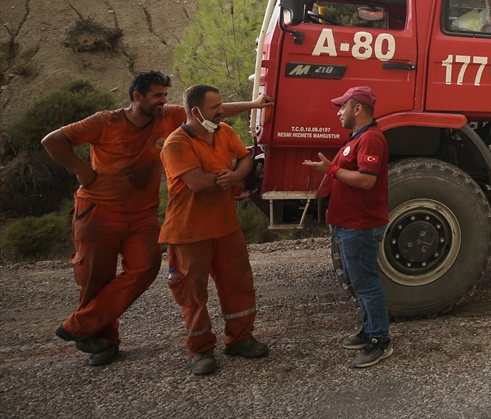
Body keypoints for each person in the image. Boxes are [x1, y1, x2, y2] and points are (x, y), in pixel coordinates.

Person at [41, 71, 268, 367]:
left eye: (165, 96)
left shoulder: (169, 116)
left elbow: (215, 109)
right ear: (137, 97)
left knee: (146, 269)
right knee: (96, 278)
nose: (163, 101)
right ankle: (100, 340)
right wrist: (82, 171)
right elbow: (53, 140)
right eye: (157, 96)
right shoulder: (104, 121)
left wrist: (255, 104)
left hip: (143, 211)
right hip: (99, 209)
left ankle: (81, 326)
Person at [160, 84, 271, 375]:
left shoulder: (223, 131)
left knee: (239, 283)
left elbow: (245, 157)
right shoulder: (176, 143)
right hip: (188, 232)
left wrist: (236, 174)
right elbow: (196, 182)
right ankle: (201, 351)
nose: (221, 111)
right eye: (215, 107)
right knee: (193, 294)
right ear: (196, 112)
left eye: (220, 105)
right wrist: (224, 180)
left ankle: (240, 339)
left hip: (225, 227)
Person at [301, 85, 391, 369]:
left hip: (360, 224)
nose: (339, 112)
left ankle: (381, 341)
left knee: (366, 283)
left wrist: (331, 169)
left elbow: (367, 180)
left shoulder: (371, 139)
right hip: (347, 223)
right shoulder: (357, 137)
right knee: (357, 282)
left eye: (342, 107)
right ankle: (369, 331)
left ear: (358, 109)